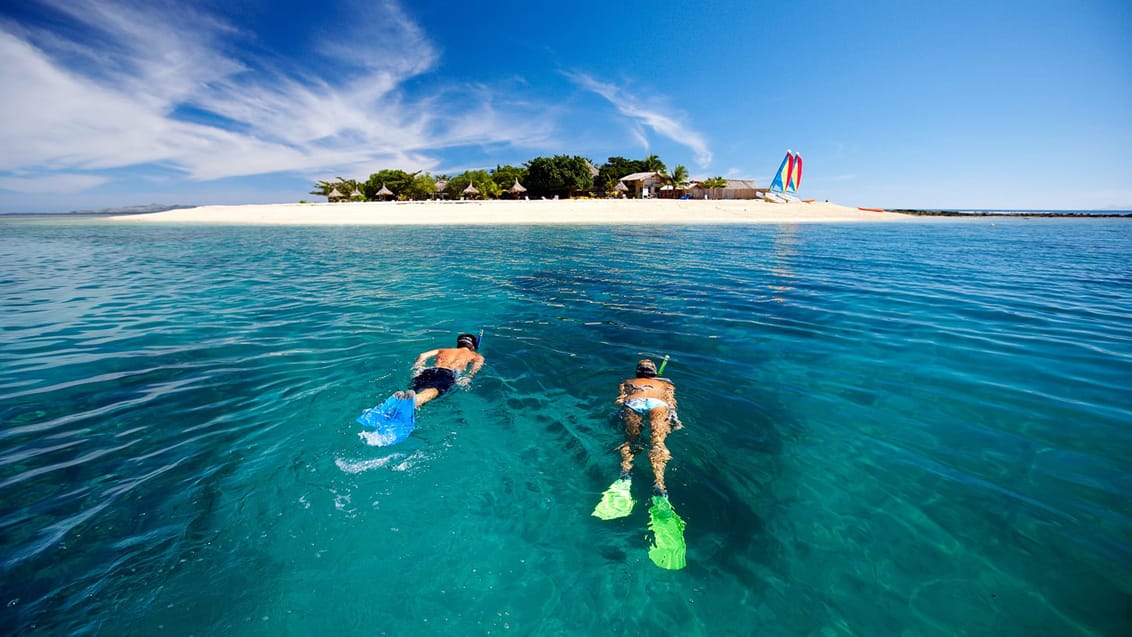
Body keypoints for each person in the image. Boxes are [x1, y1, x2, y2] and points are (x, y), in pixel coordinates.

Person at [614, 358, 682, 497]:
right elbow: (671, 402)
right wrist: (674, 418)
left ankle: (625, 472)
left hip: (634, 402)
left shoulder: (627, 382)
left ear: (637, 372)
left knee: (630, 441)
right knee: (658, 442)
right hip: (658, 404)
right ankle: (659, 483)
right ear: (655, 372)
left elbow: (619, 400)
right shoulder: (666, 383)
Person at [397, 333, 485, 408]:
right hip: (448, 373)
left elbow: (422, 355)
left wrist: (418, 369)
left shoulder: (443, 350)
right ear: (473, 347)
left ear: (458, 344)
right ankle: (413, 402)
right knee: (433, 391)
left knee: (417, 387)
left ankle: (403, 400)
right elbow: (477, 366)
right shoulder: (475, 355)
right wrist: (468, 377)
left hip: (429, 370)